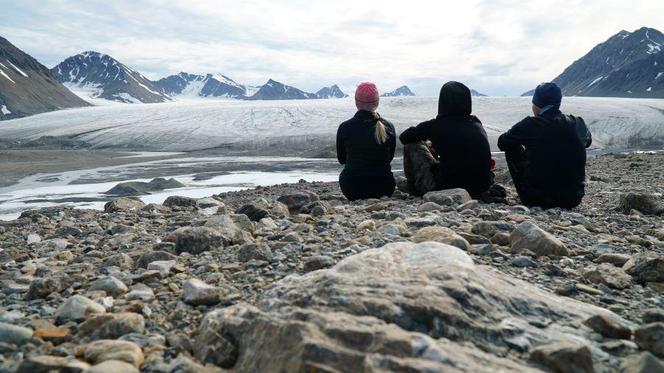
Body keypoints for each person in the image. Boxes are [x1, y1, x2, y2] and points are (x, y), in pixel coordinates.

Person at [498, 82, 592, 209]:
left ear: (537, 104)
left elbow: (502, 143)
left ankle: (534, 187)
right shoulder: (577, 123)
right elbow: (587, 142)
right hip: (573, 199)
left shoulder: (530, 124)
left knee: (511, 146)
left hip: (536, 199)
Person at [399, 81, 494, 198]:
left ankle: (413, 187)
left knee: (411, 145)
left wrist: (428, 140)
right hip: (481, 187)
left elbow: (405, 137)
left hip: (448, 189)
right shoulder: (476, 122)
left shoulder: (436, 125)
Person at [336, 82, 396, 201]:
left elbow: (342, 160)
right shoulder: (388, 126)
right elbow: (389, 158)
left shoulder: (345, 127)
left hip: (352, 188)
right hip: (384, 187)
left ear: (356, 102)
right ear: (377, 102)